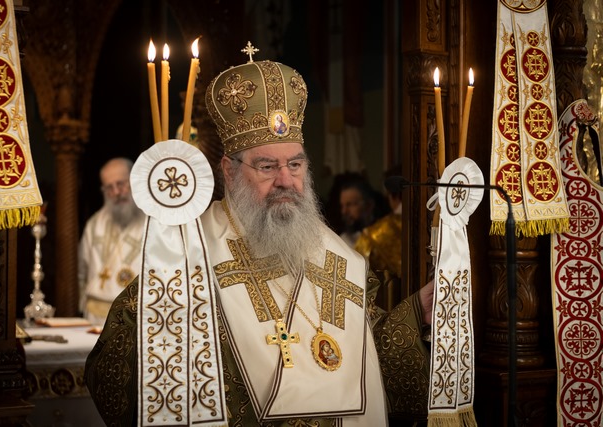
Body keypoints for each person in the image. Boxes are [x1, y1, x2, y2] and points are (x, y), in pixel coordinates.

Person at [85, 57, 433, 425]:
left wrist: (414, 316)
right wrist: (166, 329)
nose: (285, 180)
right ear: (229, 171)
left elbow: (366, 355)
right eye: (267, 166)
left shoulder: (334, 254)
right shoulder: (188, 253)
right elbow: (111, 373)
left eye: (295, 165)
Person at [78, 157, 146, 327]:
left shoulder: (152, 223)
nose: (116, 192)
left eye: (121, 184)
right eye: (109, 188)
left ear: (134, 181)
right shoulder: (95, 224)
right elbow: (81, 272)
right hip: (94, 318)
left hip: (135, 318)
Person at [354, 165, 403, 311]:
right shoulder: (435, 226)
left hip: (386, 309)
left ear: (391, 195)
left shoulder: (371, 237)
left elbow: (355, 280)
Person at [338, 173, 379, 248]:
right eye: (342, 206)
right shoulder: (342, 241)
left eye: (350, 205)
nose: (344, 211)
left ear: (369, 205)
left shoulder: (383, 234)